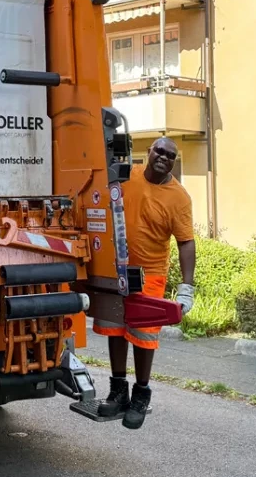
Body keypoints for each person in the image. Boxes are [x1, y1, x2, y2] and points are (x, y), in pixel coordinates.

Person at [92, 137, 196, 429]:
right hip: (118, 268)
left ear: (173, 162)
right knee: (115, 328)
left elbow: (186, 242)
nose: (164, 157)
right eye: (159, 151)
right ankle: (117, 392)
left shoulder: (179, 197)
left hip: (150, 274)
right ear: (149, 152)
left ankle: (141, 395)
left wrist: (187, 288)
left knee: (143, 335)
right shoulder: (127, 176)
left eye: (171, 155)